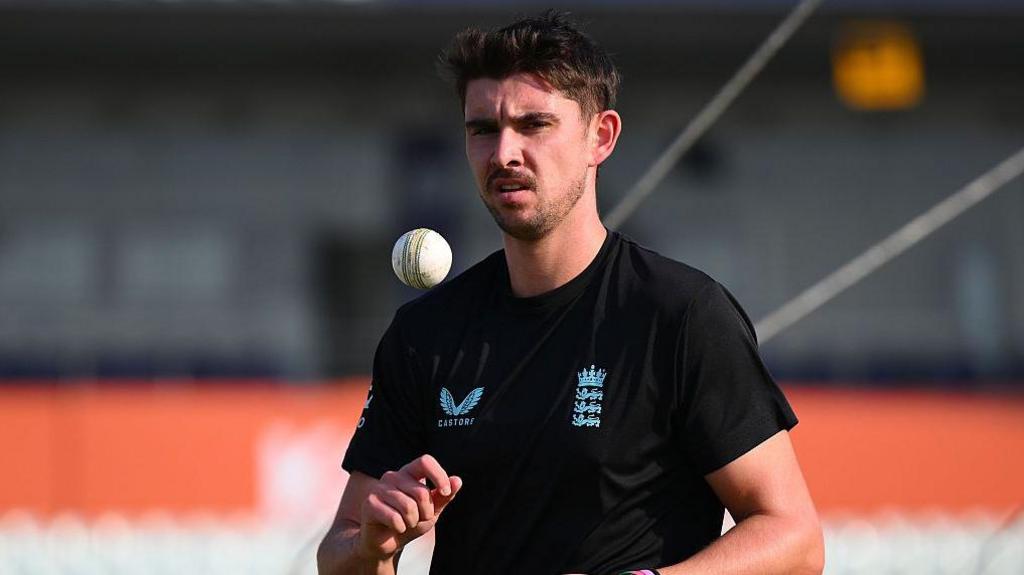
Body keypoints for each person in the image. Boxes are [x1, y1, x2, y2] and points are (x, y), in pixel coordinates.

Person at [317, 11, 824, 575]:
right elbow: (340, 553)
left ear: (599, 138)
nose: (504, 152)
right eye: (483, 128)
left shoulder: (680, 314)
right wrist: (371, 550)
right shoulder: (424, 335)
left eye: (534, 124)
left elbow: (795, 539)